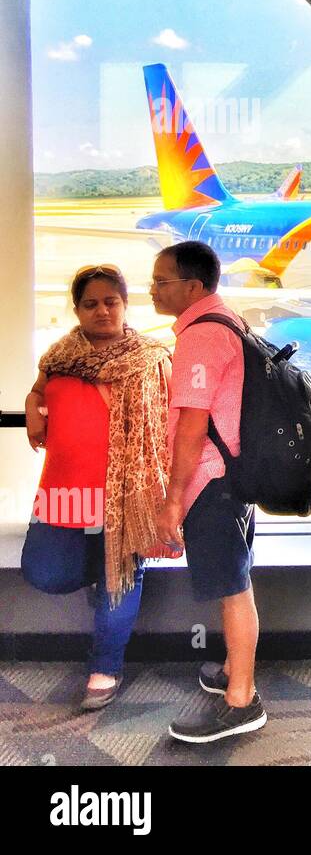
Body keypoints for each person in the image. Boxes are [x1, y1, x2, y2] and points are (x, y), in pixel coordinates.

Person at [21, 263, 171, 710]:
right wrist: (32, 404)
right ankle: (101, 573)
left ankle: (105, 668)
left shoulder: (152, 358)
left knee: (120, 580)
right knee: (44, 570)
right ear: (77, 309)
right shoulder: (58, 357)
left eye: (111, 301)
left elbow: (168, 424)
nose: (102, 310)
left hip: (126, 495)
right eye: (91, 303)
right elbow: (39, 389)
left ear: (125, 305)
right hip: (66, 488)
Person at [150, 240, 266, 743]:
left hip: (211, 482)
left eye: (161, 281)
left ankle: (241, 702)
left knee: (233, 590)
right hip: (232, 478)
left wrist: (173, 498)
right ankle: (230, 672)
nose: (152, 289)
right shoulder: (228, 320)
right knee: (233, 582)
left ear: (192, 287)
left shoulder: (201, 336)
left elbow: (194, 423)